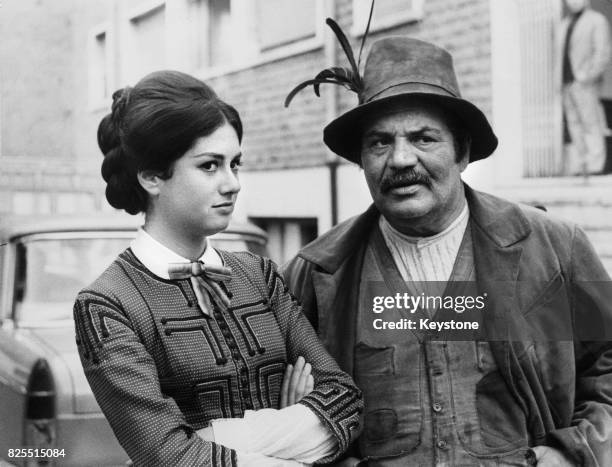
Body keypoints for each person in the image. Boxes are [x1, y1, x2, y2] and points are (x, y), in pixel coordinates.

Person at [283, 32, 612, 466]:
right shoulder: (317, 273)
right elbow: (280, 406)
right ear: (361, 160)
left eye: (423, 138)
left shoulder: (555, 247)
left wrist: (571, 453)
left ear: (462, 153)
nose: (400, 159)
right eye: (379, 142)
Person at [73, 70, 362, 466]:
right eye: (210, 166)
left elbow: (345, 402)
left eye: (235, 164)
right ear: (152, 176)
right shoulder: (108, 305)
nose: (232, 183)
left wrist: (211, 439)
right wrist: (296, 424)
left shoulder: (259, 275)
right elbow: (170, 457)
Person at [560, 0, 611, 175]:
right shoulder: (565, 24)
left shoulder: (597, 20)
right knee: (574, 124)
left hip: (584, 81)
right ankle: (582, 164)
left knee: (591, 122)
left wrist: (588, 76)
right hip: (566, 82)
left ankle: (595, 165)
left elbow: (602, 52)